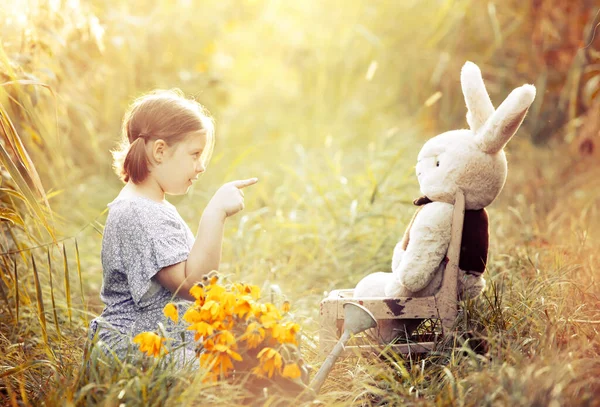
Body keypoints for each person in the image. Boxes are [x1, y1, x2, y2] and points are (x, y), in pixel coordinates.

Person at [86, 89, 257, 369]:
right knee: (228, 371)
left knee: (246, 348)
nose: (201, 167)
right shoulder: (139, 212)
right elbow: (193, 286)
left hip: (159, 339)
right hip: (137, 346)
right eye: (195, 154)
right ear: (160, 151)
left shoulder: (147, 206)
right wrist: (214, 214)